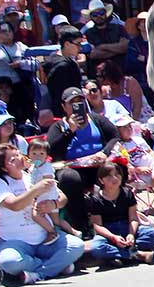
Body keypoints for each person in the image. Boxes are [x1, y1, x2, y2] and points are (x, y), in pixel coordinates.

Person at [0, 143, 85, 285]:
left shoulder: (33, 173)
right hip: (15, 240)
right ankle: (55, 266)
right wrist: (36, 190)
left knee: (77, 246)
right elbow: (14, 205)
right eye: (12, 159)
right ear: (4, 167)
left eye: (18, 154)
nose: (18, 158)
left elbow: (62, 198)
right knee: (10, 262)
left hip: (45, 238)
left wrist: (53, 204)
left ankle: (38, 274)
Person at [46, 86, 121, 236]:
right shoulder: (59, 126)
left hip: (97, 165)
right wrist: (70, 131)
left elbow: (115, 135)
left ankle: (116, 217)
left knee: (115, 170)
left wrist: (104, 153)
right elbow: (52, 150)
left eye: (80, 102)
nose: (77, 106)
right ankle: (81, 225)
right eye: (72, 103)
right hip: (73, 167)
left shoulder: (96, 119)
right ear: (64, 106)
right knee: (69, 179)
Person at [85, 157, 154, 265]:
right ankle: (137, 254)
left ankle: (120, 255)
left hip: (126, 227)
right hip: (108, 232)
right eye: (109, 176)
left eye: (117, 175)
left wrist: (131, 234)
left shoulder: (127, 193)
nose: (114, 178)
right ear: (101, 180)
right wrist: (113, 237)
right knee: (97, 248)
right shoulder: (96, 199)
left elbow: (133, 218)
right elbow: (98, 226)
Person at [26, 138, 73, 244]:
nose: (37, 156)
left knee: (36, 215)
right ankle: (73, 231)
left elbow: (47, 182)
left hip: (47, 196)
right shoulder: (34, 167)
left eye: (41, 154)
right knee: (56, 220)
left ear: (47, 156)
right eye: (34, 153)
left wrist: (35, 194)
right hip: (42, 194)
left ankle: (51, 232)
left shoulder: (46, 167)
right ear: (28, 154)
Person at [80, 0, 129, 78]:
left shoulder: (119, 28)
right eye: (95, 15)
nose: (99, 16)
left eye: (101, 13)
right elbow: (93, 54)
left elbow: (125, 47)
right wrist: (117, 49)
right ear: (91, 17)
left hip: (120, 72)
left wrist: (101, 47)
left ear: (106, 13)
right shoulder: (87, 33)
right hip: (98, 76)